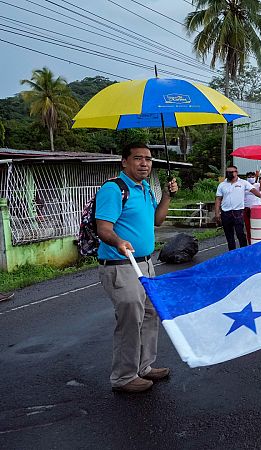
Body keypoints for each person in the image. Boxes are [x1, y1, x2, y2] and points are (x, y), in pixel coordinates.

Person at [95, 142, 178, 393]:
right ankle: (123, 376)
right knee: (130, 320)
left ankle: (144, 366)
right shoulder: (114, 189)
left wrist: (167, 195)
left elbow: (157, 220)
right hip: (121, 265)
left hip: (146, 264)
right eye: (138, 158)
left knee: (151, 315)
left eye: (149, 159)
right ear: (125, 162)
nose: (145, 163)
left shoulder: (144, 190)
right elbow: (104, 229)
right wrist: (119, 242)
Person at [215, 165, 261, 250]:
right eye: (228, 172)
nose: (229, 174)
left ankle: (244, 251)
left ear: (236, 173)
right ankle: (232, 253)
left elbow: (253, 190)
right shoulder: (222, 185)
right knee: (229, 236)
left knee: (240, 234)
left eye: (232, 172)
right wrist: (217, 213)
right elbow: (218, 199)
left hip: (238, 212)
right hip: (226, 212)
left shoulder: (243, 183)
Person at [243, 170, 261, 242]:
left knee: (257, 225)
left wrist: (259, 177)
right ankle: (250, 241)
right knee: (248, 226)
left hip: (256, 208)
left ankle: (258, 240)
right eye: (249, 177)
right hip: (246, 207)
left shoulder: (257, 185)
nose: (250, 178)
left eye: (252, 176)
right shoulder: (244, 185)